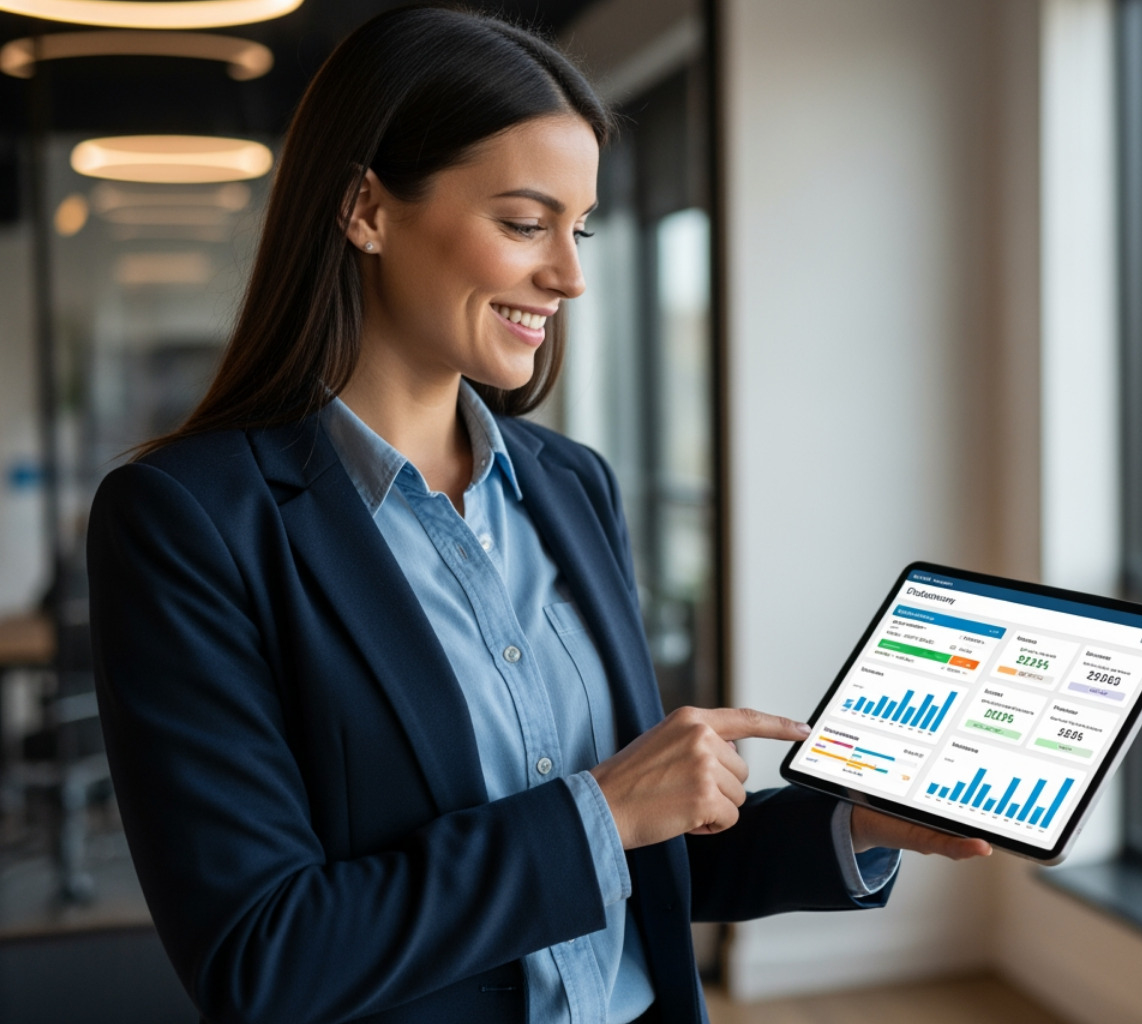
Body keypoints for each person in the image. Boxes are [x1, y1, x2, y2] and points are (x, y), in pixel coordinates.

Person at [87, 7, 990, 1024]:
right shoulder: (187, 522)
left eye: (580, 226)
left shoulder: (571, 485)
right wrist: (602, 809)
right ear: (366, 210)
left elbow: (630, 854)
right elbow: (265, 958)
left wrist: (861, 821)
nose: (570, 274)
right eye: (525, 224)